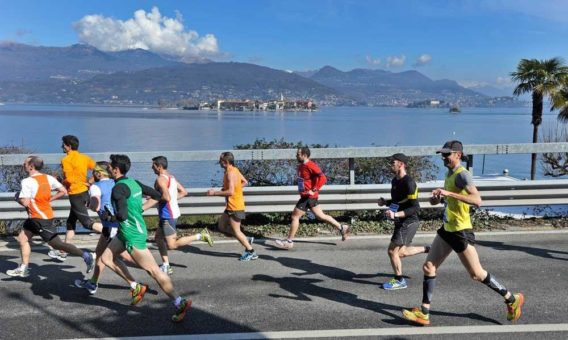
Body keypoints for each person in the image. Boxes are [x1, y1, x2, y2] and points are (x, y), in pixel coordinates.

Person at [402, 140, 524, 326]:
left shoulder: (462, 175)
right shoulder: (449, 173)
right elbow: (443, 201)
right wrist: (437, 198)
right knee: (428, 267)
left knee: (476, 274)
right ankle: (424, 312)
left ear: (458, 155)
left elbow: (477, 200)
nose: (443, 158)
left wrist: (449, 194)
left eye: (447, 154)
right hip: (448, 229)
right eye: (442, 154)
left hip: (461, 232)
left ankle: (511, 298)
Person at [100, 154, 191, 322]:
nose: (109, 169)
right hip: (126, 231)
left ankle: (180, 302)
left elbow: (122, 215)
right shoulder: (134, 183)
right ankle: (136, 286)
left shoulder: (118, 189)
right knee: (106, 258)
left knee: (154, 271)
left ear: (116, 169)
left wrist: (108, 217)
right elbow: (157, 195)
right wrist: (141, 209)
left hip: (131, 234)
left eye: (111, 167)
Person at [6, 156, 95, 278]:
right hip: (37, 216)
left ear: (31, 166)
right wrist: (49, 199)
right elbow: (63, 190)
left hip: (39, 218)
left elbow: (25, 202)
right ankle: (23, 268)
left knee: (57, 244)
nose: (23, 165)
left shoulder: (27, 181)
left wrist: (17, 198)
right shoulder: (47, 178)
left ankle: (86, 256)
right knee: (23, 239)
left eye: (25, 163)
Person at [74, 161, 138, 295]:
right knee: (99, 254)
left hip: (110, 227)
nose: (92, 174)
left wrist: (89, 204)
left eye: (93, 172)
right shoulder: (116, 182)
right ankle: (93, 283)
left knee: (115, 259)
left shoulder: (96, 187)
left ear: (98, 173)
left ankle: (137, 283)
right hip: (115, 225)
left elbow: (96, 206)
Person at [273, 146, 349, 250]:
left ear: (304, 155)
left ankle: (289, 241)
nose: (296, 155)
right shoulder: (300, 166)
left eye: (298, 154)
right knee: (321, 216)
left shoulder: (311, 165)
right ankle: (342, 228)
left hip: (308, 197)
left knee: (295, 217)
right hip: (307, 196)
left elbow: (323, 178)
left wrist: (313, 190)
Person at [152, 156, 213, 275]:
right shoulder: (171, 178)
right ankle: (166, 265)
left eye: (153, 166)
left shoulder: (160, 179)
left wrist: (156, 199)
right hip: (171, 212)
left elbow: (165, 197)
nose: (151, 168)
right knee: (158, 238)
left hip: (167, 215)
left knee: (172, 244)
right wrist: (171, 200)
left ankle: (201, 236)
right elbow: (184, 192)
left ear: (159, 167)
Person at [378, 153, 429, 290]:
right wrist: (386, 202)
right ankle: (428, 249)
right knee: (401, 253)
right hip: (400, 220)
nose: (390, 165)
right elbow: (397, 201)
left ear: (401, 164)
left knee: (392, 251)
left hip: (409, 221)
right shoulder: (395, 181)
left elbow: (415, 207)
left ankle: (399, 280)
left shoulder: (409, 183)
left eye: (392, 163)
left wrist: (396, 214)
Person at [49, 135, 102, 261]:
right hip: (84, 191)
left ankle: (113, 233)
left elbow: (69, 178)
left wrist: (60, 186)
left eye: (63, 144)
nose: (62, 146)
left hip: (75, 195)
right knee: (70, 222)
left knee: (86, 223)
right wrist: (90, 181)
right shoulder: (84, 158)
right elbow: (99, 170)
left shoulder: (66, 160)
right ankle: (63, 250)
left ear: (69, 146)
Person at [206, 152, 257, 261]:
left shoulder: (230, 173)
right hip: (231, 206)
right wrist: (235, 189)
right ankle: (245, 238)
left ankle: (250, 251)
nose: (219, 162)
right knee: (222, 226)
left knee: (237, 231)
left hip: (235, 207)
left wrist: (214, 193)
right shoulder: (235, 170)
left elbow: (230, 191)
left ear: (226, 162)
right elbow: (245, 182)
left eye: (220, 161)